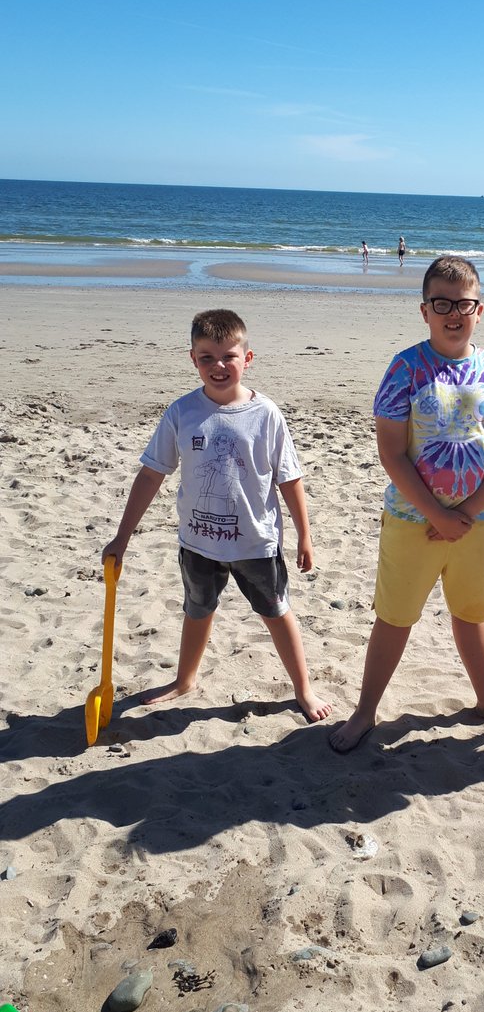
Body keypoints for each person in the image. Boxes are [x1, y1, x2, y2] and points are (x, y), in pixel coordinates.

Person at [329, 255, 484, 752]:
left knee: (470, 613)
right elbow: (391, 452)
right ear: (425, 311)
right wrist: (437, 513)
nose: (453, 313)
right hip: (411, 521)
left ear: (479, 310)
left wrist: (465, 513)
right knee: (395, 617)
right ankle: (366, 711)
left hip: (477, 524)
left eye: (464, 304)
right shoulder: (406, 367)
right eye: (442, 303)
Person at [101, 308, 332, 721]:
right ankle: (185, 679)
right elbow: (152, 474)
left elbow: (290, 480)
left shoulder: (266, 414)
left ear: (248, 358)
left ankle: (304, 688)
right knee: (197, 609)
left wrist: (305, 537)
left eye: (228, 356)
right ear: (193, 359)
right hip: (198, 542)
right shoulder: (181, 413)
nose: (218, 366)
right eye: (206, 357)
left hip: (255, 542)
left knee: (276, 611)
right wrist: (122, 536)